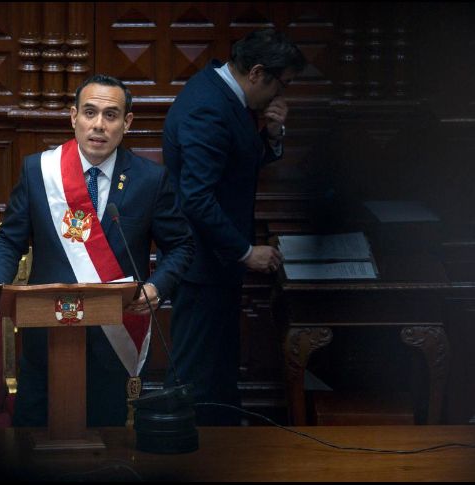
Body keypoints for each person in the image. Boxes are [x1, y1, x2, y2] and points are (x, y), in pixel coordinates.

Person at [0, 74, 194, 427]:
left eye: (110, 115)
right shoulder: (39, 171)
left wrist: (158, 286)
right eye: (89, 112)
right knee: (31, 448)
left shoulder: (149, 179)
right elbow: (8, 240)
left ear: (126, 123)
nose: (98, 125)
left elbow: (181, 246)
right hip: (45, 337)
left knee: (105, 450)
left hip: (111, 336)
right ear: (73, 116)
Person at [162, 29, 306, 425]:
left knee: (218, 372)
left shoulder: (225, 95)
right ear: (258, 73)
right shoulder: (208, 107)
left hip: (216, 264)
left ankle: (224, 451)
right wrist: (245, 251)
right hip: (202, 265)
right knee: (196, 377)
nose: (281, 96)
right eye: (282, 84)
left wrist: (271, 136)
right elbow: (197, 199)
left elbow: (234, 161)